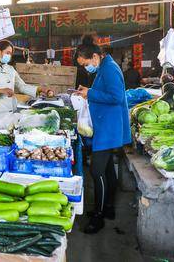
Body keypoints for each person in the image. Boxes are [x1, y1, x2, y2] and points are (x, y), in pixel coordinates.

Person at [75, 35, 131, 234]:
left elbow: (116, 97)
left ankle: (98, 217)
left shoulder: (109, 69)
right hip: (106, 126)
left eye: (86, 63)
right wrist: (88, 91)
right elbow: (103, 92)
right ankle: (108, 209)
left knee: (96, 172)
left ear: (95, 56)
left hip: (109, 128)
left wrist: (90, 93)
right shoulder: (103, 67)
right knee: (107, 170)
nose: (85, 68)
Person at [0, 40, 44, 127]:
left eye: (10, 54)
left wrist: (40, 89)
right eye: (7, 53)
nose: (9, 56)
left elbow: (22, 86)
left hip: (10, 116)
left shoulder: (11, 69)